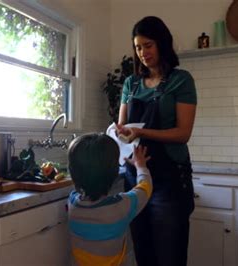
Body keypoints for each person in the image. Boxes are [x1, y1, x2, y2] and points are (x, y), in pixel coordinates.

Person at [116, 16, 197, 266]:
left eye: (148, 45)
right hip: (135, 179)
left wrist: (141, 133)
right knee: (144, 252)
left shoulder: (181, 80)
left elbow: (183, 133)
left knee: (170, 255)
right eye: (138, 47)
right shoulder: (131, 83)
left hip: (168, 180)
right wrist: (121, 135)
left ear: (162, 43)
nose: (142, 53)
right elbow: (122, 127)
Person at [67, 133, 152, 266]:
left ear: (73, 173)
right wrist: (140, 165)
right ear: (114, 172)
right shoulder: (121, 206)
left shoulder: (72, 203)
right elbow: (145, 188)